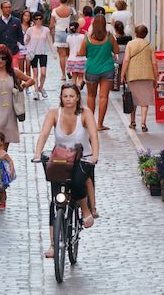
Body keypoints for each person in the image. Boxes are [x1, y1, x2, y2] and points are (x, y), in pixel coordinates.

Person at [32, 83, 99, 258]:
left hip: (83, 157)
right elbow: (44, 134)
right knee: (55, 202)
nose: (68, 99)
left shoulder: (85, 114)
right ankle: (53, 245)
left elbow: (93, 135)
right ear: (61, 98)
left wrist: (95, 156)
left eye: (71, 96)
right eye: (65, 96)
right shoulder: (54, 114)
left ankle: (85, 211)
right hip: (62, 158)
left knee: (77, 181)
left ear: (77, 97)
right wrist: (38, 153)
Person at [77, 15, 119, 131]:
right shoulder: (110, 37)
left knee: (91, 96)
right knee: (103, 97)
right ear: (105, 24)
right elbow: (116, 51)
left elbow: (81, 52)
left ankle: (91, 124)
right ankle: (100, 124)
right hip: (107, 69)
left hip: (91, 69)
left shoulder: (87, 38)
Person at [120, 25, 157, 132]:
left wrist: (122, 74)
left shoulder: (130, 44)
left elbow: (126, 60)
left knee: (133, 100)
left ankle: (132, 122)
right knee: (144, 101)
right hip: (147, 75)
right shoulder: (149, 45)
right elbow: (154, 63)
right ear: (146, 34)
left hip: (133, 75)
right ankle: (143, 123)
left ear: (135, 33)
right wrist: (156, 76)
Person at [25, 11, 53, 100]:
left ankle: (41, 87)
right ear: (33, 20)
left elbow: (50, 41)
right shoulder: (30, 30)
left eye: (40, 18)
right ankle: (36, 91)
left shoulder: (46, 29)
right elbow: (26, 41)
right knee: (35, 74)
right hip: (33, 53)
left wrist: (53, 52)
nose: (38, 20)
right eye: (36, 19)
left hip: (43, 53)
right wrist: (25, 49)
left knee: (43, 73)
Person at [0, 0, 25, 72]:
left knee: (14, 71)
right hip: (1, 53)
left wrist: (21, 47)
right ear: (2, 9)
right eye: (5, 7)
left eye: (9, 7)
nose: (8, 9)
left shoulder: (16, 21)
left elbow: (20, 36)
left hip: (14, 51)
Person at [50, 0, 76, 81]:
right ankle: (70, 70)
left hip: (59, 33)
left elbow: (51, 25)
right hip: (69, 32)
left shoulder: (55, 11)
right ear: (67, 0)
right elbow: (76, 20)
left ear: (60, 0)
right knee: (70, 54)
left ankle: (63, 75)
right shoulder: (71, 9)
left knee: (62, 56)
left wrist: (52, 36)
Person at [112, 20, 132, 91]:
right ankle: (128, 86)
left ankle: (116, 86)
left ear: (115, 29)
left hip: (117, 58)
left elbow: (112, 48)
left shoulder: (114, 38)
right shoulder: (129, 37)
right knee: (126, 72)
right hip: (125, 57)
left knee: (116, 72)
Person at [65, 22, 86, 89]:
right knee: (80, 77)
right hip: (81, 59)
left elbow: (67, 49)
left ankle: (74, 89)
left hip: (71, 59)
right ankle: (79, 86)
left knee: (74, 76)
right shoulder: (82, 37)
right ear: (78, 28)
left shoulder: (68, 37)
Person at [18, 11, 33, 79]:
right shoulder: (18, 25)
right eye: (25, 15)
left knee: (28, 67)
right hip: (20, 48)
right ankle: (20, 84)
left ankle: (27, 85)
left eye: (28, 16)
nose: (27, 17)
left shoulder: (32, 26)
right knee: (21, 69)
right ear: (22, 16)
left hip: (29, 48)